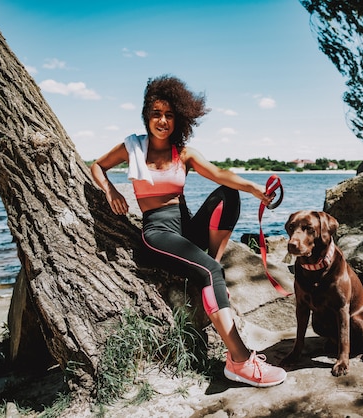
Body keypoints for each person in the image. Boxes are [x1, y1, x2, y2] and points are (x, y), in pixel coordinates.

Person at [90, 75, 286, 388]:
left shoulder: (184, 153)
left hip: (186, 229)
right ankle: (238, 360)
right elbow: (97, 166)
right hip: (158, 233)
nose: (162, 120)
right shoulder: (132, 147)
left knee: (228, 193)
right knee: (208, 271)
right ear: (146, 116)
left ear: (177, 118)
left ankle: (213, 271)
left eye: (169, 115)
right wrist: (110, 190)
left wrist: (253, 189)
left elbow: (220, 174)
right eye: (156, 113)